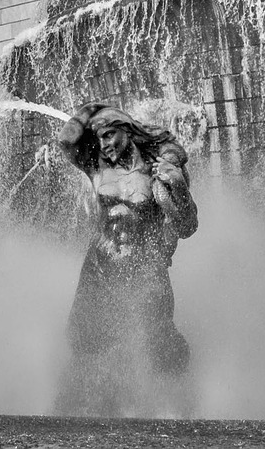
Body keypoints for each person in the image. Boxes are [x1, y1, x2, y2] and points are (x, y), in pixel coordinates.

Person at [56, 102, 198, 413]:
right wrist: (93, 109)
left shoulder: (158, 173)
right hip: (100, 262)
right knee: (85, 338)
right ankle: (84, 407)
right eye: (99, 138)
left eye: (109, 135)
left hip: (144, 265)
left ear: (127, 131)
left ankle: (168, 410)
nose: (104, 145)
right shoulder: (96, 166)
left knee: (156, 337)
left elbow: (188, 226)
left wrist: (177, 184)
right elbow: (66, 140)